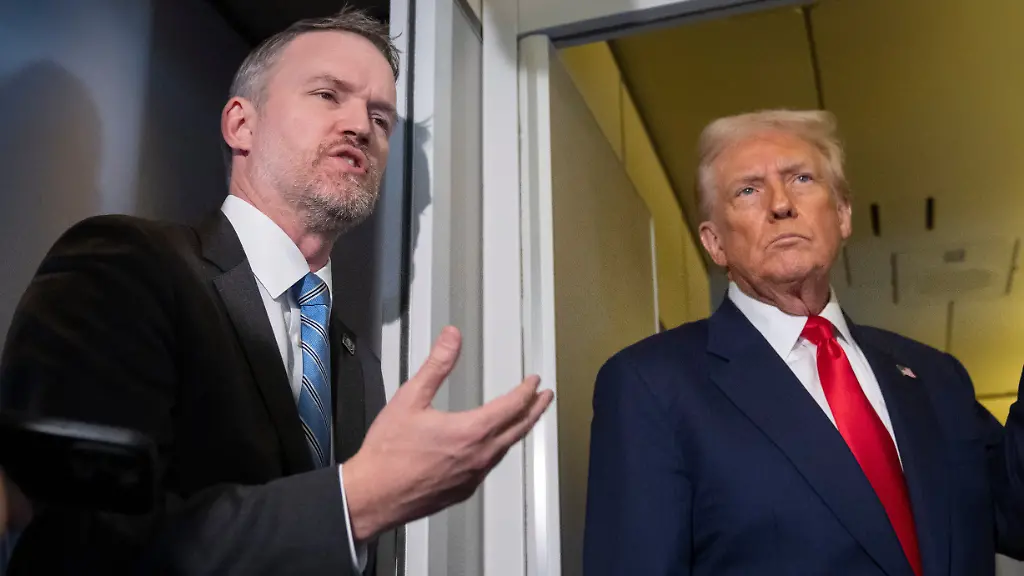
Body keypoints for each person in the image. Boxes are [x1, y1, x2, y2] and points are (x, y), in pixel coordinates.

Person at [0, 7, 552, 575]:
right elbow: (78, 544)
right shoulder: (125, 267)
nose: (361, 126)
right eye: (327, 95)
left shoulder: (356, 364)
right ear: (241, 124)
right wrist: (355, 501)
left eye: (381, 118)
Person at [582, 109, 1024, 575]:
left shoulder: (936, 376)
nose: (780, 204)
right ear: (715, 244)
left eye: (801, 179)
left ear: (842, 214)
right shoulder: (652, 385)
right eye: (748, 190)